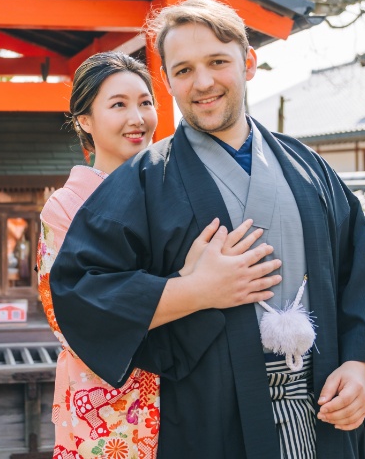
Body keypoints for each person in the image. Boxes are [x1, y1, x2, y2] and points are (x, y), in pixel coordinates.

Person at [50, 0, 365, 459]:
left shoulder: (310, 168)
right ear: (167, 80)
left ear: (248, 63)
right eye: (183, 70)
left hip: (322, 400)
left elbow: (357, 277)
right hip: (211, 413)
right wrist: (196, 290)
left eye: (217, 62)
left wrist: (358, 366)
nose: (202, 83)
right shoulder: (143, 181)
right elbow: (80, 291)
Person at [38, 52, 280, 459]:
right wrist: (193, 286)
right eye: (118, 105)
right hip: (106, 401)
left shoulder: (179, 188)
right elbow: (71, 317)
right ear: (84, 120)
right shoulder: (66, 208)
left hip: (193, 390)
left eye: (146, 102)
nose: (138, 118)